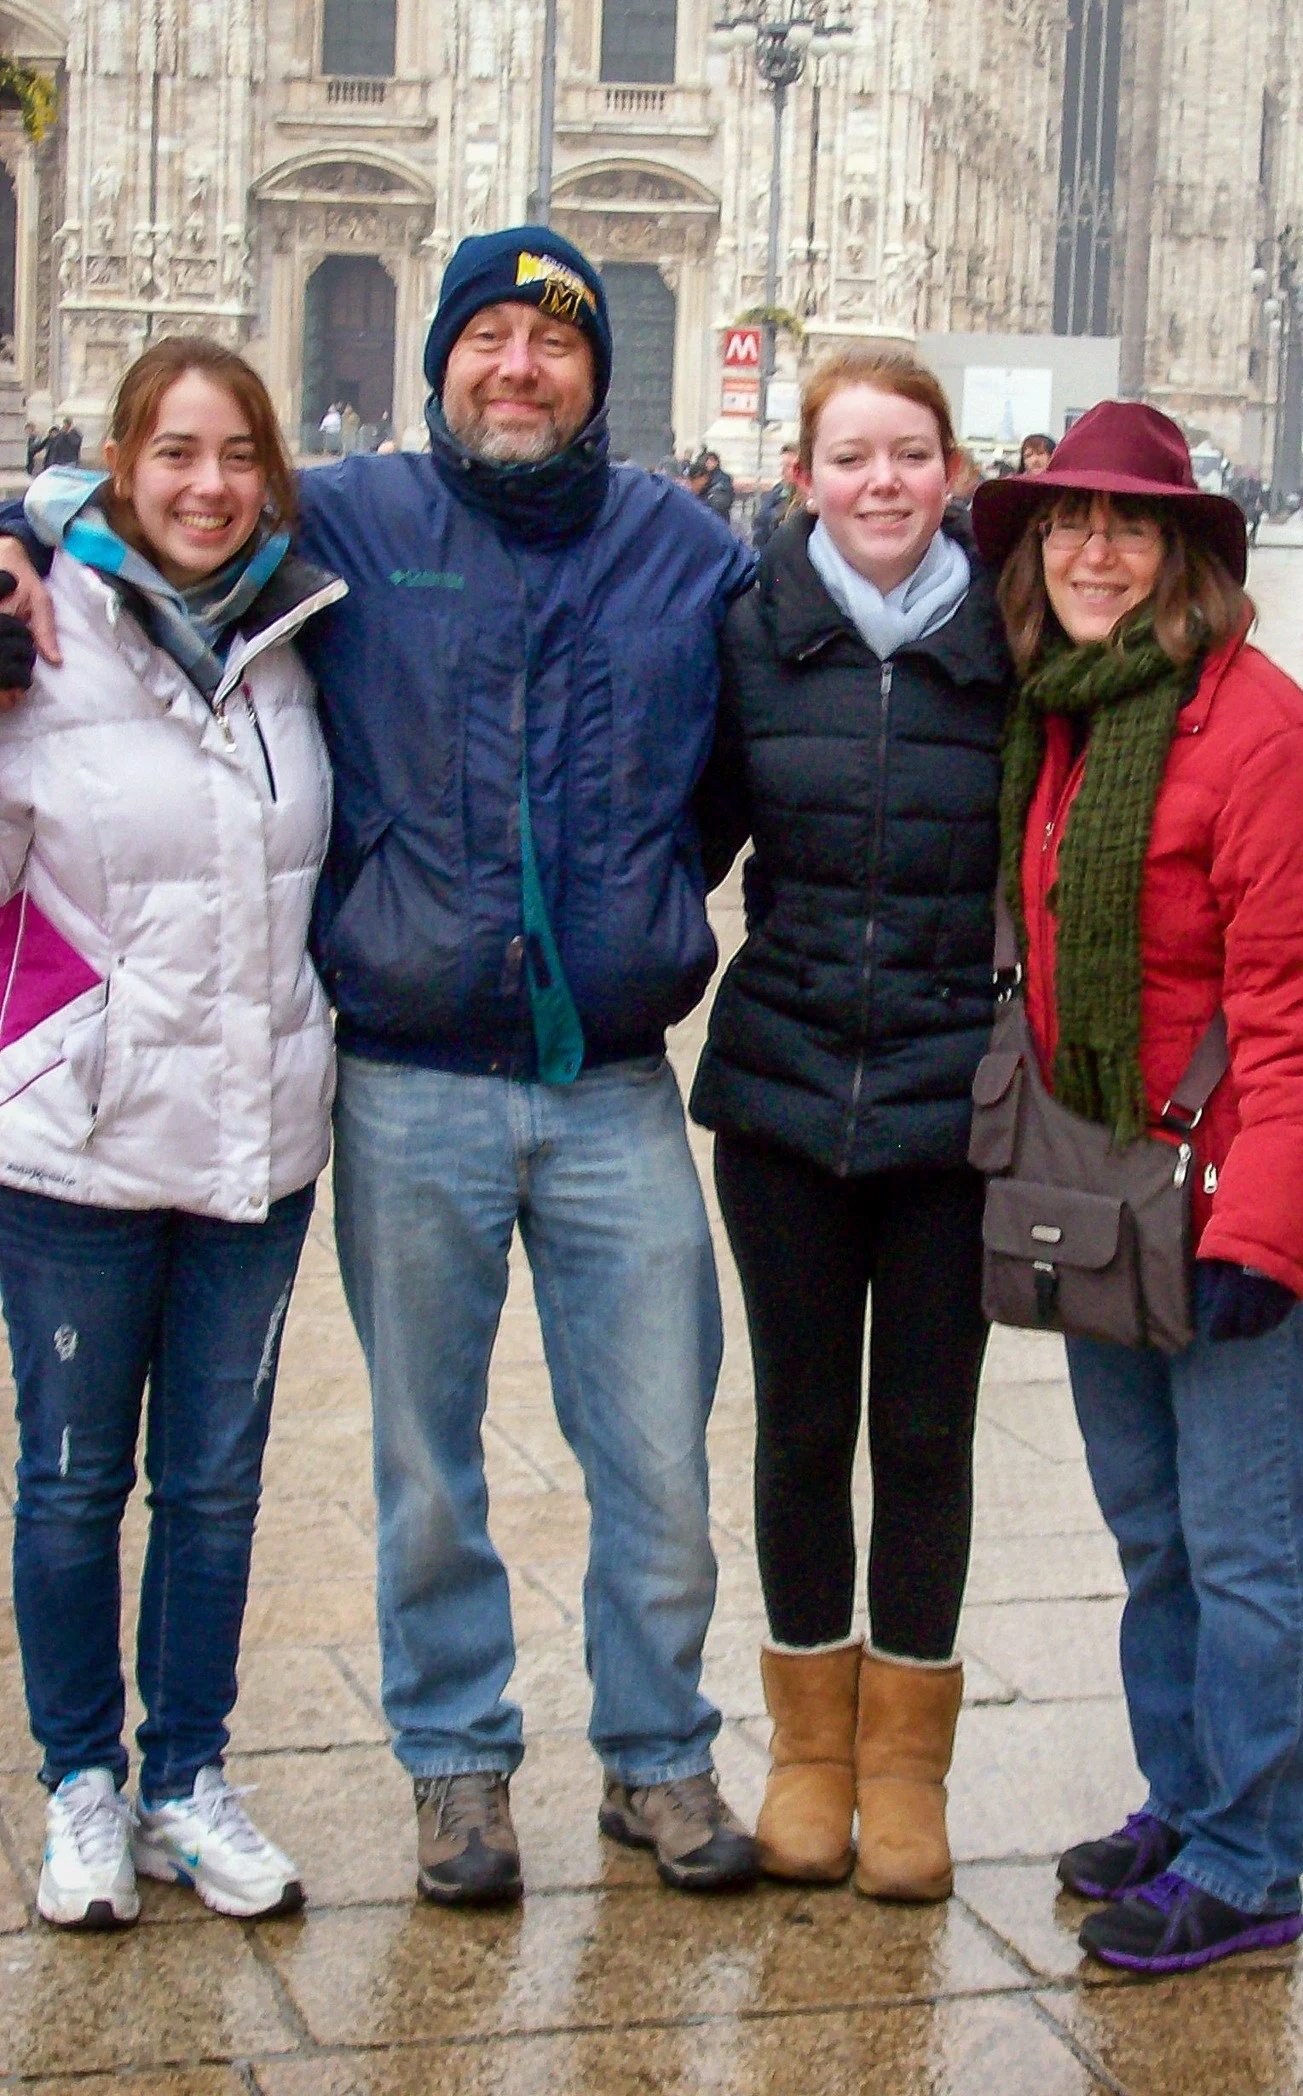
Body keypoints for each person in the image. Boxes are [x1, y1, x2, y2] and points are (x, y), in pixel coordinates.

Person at [0, 228, 767, 1908]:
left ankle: (660, 1755)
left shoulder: (687, 548)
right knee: (426, 1456)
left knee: (656, 1438)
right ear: (438, 365)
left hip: (615, 1074)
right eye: (486, 337)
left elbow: (737, 765)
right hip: (408, 1075)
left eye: (550, 344)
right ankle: (456, 1769)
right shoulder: (346, 521)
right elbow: (150, 519)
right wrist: (19, 521)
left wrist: (642, 898)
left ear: (594, 374)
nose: (517, 367)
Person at [970, 402, 1303, 1973]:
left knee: (1246, 1539)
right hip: (1113, 1187)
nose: (1091, 549)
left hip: (1239, 1207)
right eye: (1067, 524)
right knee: (1156, 1536)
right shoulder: (1068, 717)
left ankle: (1249, 1861)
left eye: (1127, 525)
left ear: (1184, 556)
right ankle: (1188, 1795)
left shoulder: (1262, 734)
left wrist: (1269, 1239)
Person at [0, 337, 345, 1930]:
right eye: (176, 456)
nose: (208, 488)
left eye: (235, 460)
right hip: (77, 1142)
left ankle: (187, 1778)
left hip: (254, 1144)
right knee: (74, 1481)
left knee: (214, 1486)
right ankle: (81, 1784)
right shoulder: (36, 634)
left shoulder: (297, 639)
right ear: (121, 470)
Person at [692, 346, 1009, 1904]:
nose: (881, 483)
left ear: (951, 470)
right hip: (784, 1095)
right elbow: (670, 825)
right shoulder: (749, 631)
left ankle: (905, 1772)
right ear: (803, 474)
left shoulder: (1017, 639)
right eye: (850, 456)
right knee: (805, 1428)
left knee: (933, 1438)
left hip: (958, 1112)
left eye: (909, 454)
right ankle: (810, 1753)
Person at [751, 445, 799, 548]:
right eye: (782, 465)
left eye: (789, 466)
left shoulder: (807, 498)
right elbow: (760, 521)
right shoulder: (778, 490)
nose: (782, 471)